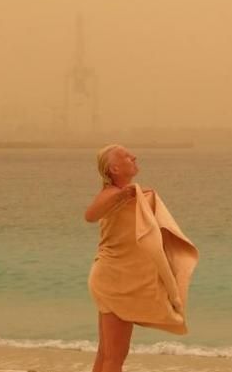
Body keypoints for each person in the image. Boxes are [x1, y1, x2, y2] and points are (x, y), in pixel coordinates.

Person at [83, 144, 152, 372]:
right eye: (126, 156)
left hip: (113, 276)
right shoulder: (112, 194)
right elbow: (90, 214)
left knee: (106, 353)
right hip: (114, 279)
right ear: (114, 168)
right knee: (115, 356)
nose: (134, 156)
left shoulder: (127, 194)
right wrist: (123, 194)